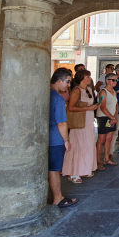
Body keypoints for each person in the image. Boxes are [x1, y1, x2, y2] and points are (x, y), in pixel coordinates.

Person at [62, 70, 100, 183]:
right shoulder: (76, 90)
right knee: (78, 144)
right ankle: (74, 172)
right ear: (81, 78)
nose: (89, 79)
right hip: (79, 121)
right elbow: (71, 107)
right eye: (87, 77)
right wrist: (89, 108)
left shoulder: (88, 90)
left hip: (88, 120)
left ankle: (85, 168)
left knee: (88, 144)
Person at [49, 69, 77, 208]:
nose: (68, 85)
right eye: (67, 82)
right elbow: (61, 123)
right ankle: (57, 198)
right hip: (55, 138)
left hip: (46, 137)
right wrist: (66, 140)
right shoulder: (58, 98)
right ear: (59, 81)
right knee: (54, 169)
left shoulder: (46, 94)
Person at [96, 73, 119, 168]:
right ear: (107, 80)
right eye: (113, 80)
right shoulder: (103, 91)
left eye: (116, 80)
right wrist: (112, 117)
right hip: (103, 117)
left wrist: (115, 116)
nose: (115, 82)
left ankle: (106, 158)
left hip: (111, 117)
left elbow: (117, 105)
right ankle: (98, 161)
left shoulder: (114, 91)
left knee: (109, 138)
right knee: (101, 139)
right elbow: (103, 107)